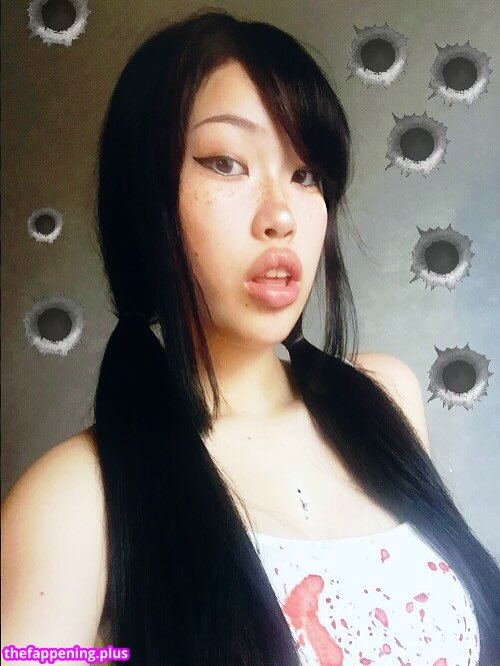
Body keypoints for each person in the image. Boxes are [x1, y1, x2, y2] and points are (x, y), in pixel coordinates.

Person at [2, 8, 499, 666]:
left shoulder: (386, 397)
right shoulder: (72, 499)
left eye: (306, 173)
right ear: (144, 199)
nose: (281, 215)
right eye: (226, 163)